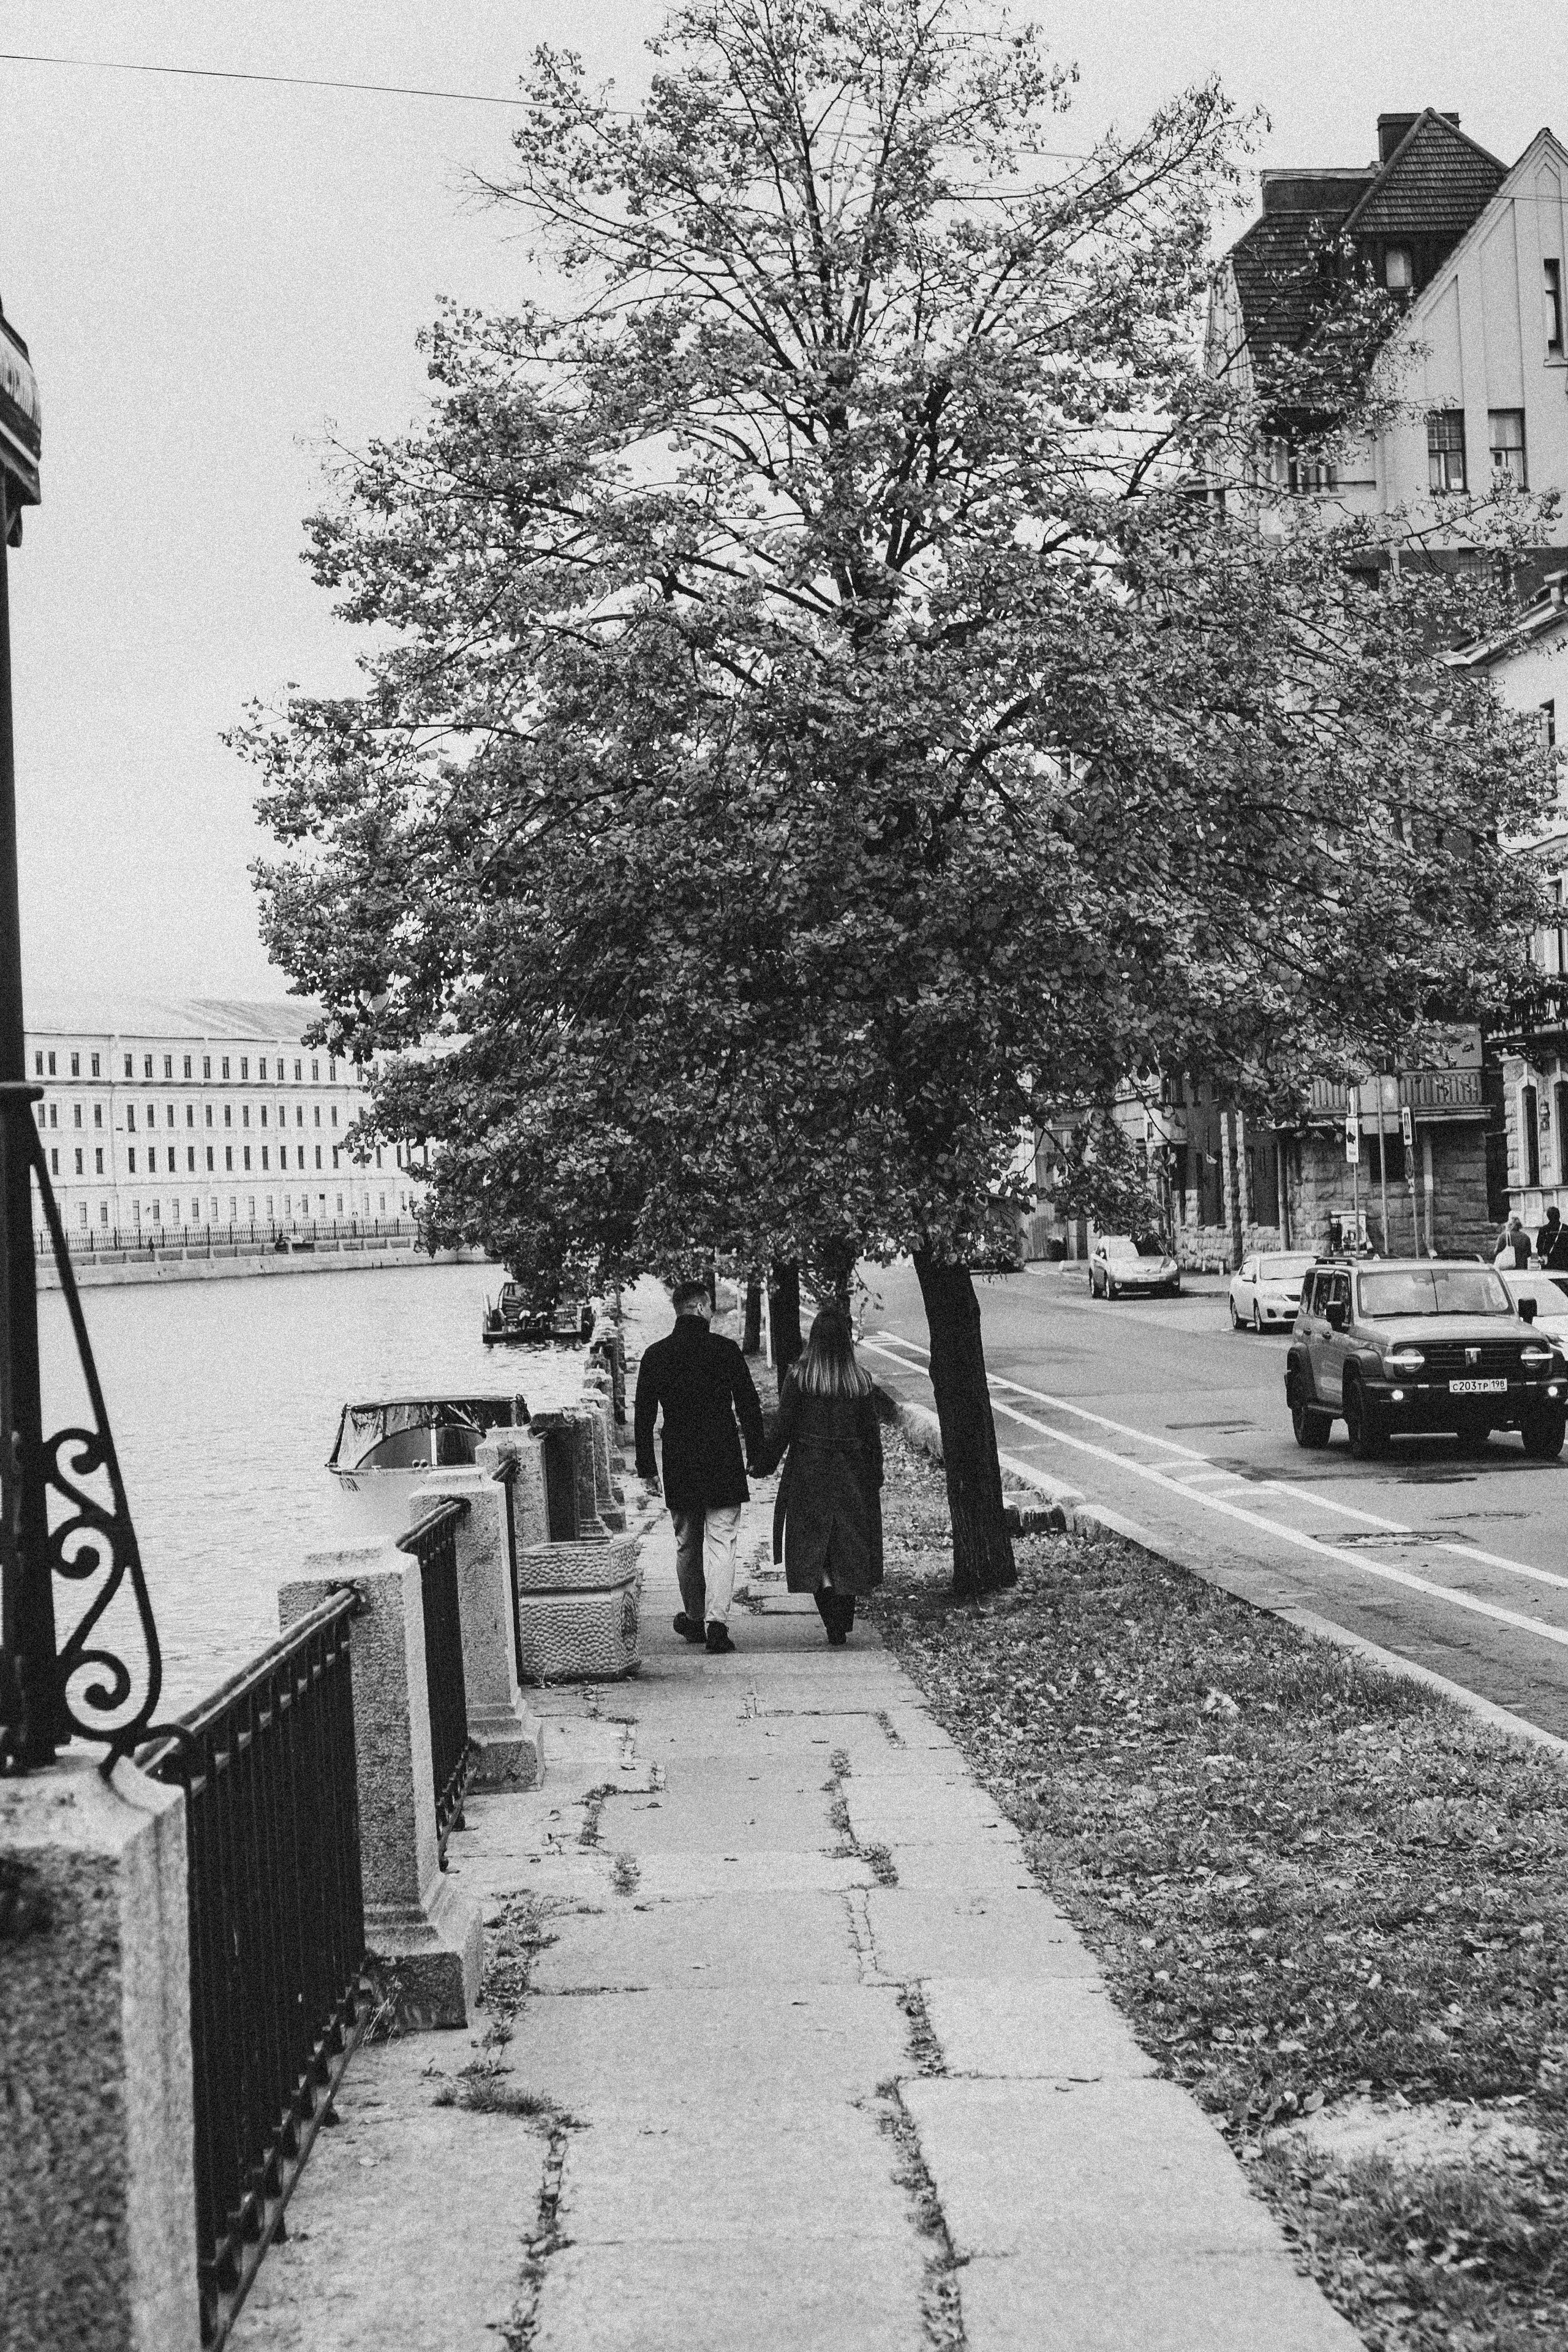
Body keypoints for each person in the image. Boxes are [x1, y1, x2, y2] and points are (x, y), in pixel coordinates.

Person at [635, 1277, 764, 1656]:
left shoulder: (656, 1354)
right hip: (722, 1456)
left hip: (680, 1459)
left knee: (687, 1542)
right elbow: (749, 1404)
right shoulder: (725, 1350)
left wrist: (647, 1467)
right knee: (722, 1540)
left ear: (678, 1309)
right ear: (703, 1308)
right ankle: (717, 1623)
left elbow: (643, 1415)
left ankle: (693, 1615)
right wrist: (756, 1454)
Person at [756, 1306, 883, 1646]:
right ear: (845, 1341)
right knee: (848, 1544)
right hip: (850, 1472)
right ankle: (842, 1615)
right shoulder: (860, 1381)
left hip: (809, 1471)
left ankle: (831, 1614)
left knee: (815, 1545)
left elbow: (783, 1427)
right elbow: (872, 1436)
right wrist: (876, 1475)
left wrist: (764, 1463)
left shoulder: (800, 1378)